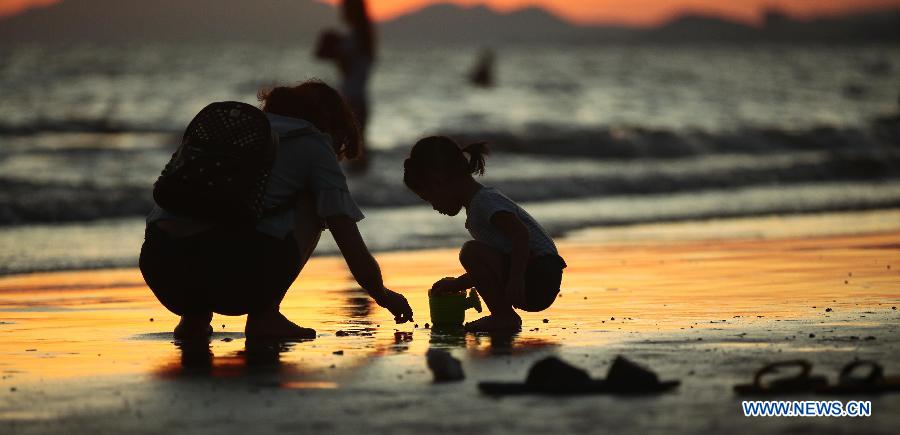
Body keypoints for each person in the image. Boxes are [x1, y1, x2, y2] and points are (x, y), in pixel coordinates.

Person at [139, 80, 413, 340]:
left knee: (216, 214)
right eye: (340, 144)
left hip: (161, 267)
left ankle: (193, 319)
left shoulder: (235, 134)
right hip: (226, 278)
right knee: (319, 204)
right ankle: (265, 316)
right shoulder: (314, 143)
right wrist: (382, 294)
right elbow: (347, 236)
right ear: (333, 128)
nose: (337, 152)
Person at [402, 136, 566, 332]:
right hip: (536, 274)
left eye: (429, 199)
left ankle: (504, 316)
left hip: (540, 275)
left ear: (439, 181)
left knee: (470, 252)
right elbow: (495, 264)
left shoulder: (484, 202)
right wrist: (458, 284)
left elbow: (521, 235)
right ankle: (504, 315)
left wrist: (516, 280)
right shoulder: (478, 207)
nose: (435, 207)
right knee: (474, 253)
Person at [315, 0, 376, 173]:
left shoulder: (356, 38)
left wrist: (333, 48)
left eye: (345, 8)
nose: (342, 12)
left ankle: (360, 192)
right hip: (356, 98)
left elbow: (328, 56)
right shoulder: (361, 37)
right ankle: (363, 190)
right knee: (356, 149)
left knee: (353, 150)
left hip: (353, 100)